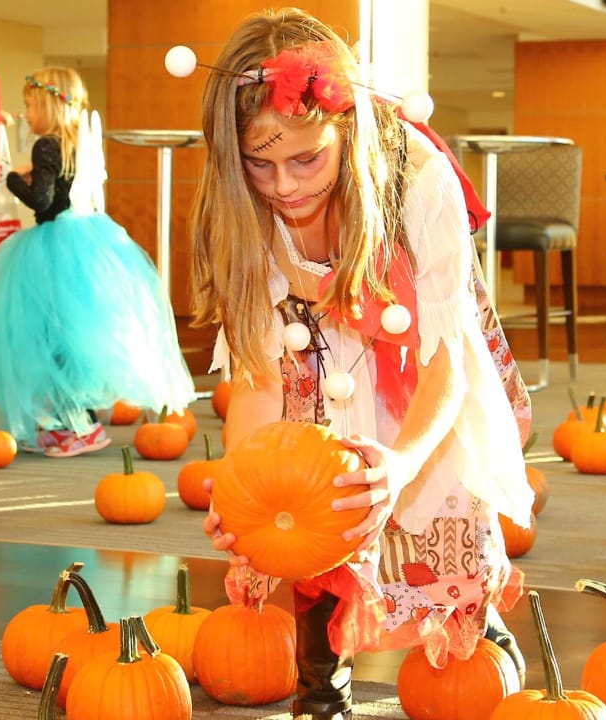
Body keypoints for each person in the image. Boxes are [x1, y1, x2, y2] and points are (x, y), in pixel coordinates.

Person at [189, 10, 534, 719]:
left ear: (346, 133)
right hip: (308, 353)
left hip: (420, 356)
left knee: (438, 496)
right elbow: (258, 380)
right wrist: (249, 494)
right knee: (311, 493)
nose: (283, 185)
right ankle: (323, 685)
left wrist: (401, 465)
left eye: (306, 159)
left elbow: (448, 364)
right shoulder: (241, 212)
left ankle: (478, 635)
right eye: (261, 163)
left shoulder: (417, 180)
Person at [0, 67, 194, 457]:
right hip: (87, 240)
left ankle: (76, 427)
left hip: (52, 247)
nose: (27, 114)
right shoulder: (76, 142)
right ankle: (79, 421)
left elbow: (43, 201)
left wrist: (13, 179)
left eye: (31, 106)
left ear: (48, 105)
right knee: (74, 341)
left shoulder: (45, 146)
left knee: (50, 341)